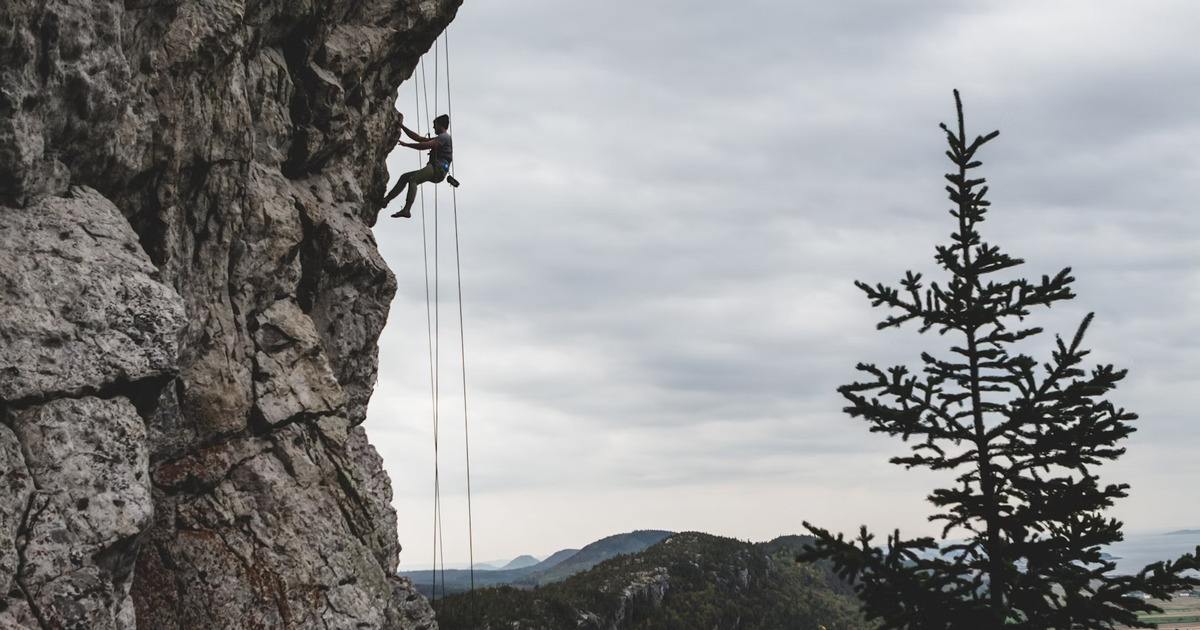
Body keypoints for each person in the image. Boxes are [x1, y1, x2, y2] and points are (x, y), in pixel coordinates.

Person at [384, 113, 453, 218]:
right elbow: (418, 138)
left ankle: (407, 210)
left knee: (413, 180)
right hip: (436, 168)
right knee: (404, 177)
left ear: (440, 125)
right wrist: (402, 127)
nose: (433, 127)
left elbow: (424, 146)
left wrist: (407, 145)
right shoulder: (441, 138)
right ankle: (386, 200)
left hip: (438, 169)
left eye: (435, 125)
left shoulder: (444, 137)